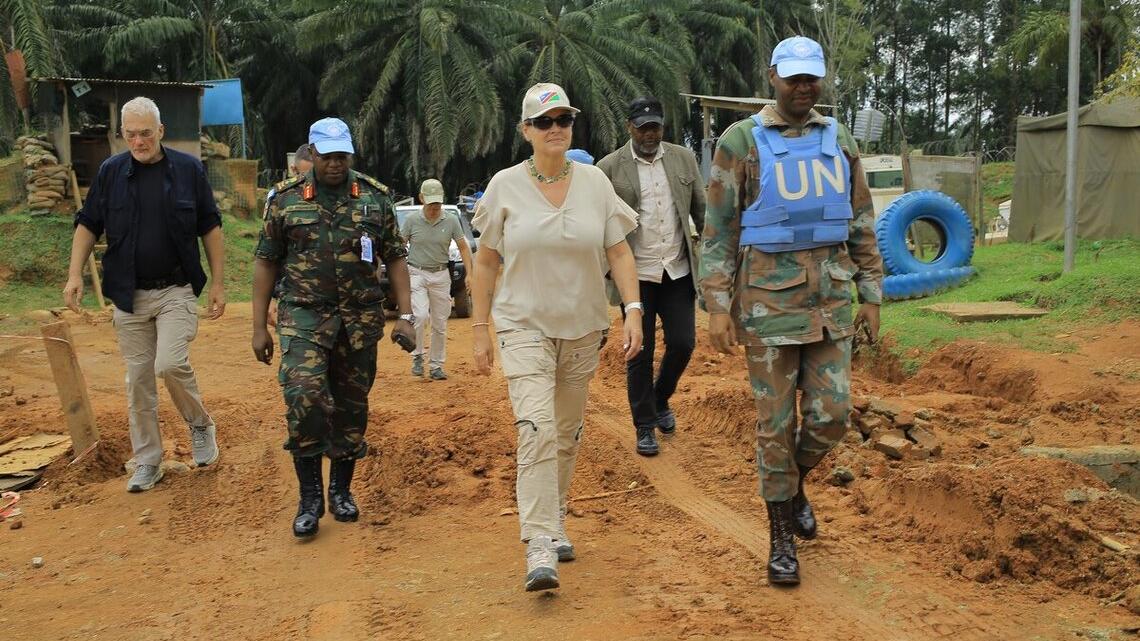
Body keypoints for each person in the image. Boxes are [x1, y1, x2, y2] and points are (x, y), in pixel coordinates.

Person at [700, 36, 883, 586]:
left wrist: (872, 292)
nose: (804, 87)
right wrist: (716, 305)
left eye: (812, 78)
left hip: (830, 301)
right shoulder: (740, 141)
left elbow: (861, 218)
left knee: (832, 415)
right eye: (794, 77)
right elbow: (719, 229)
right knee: (775, 426)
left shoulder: (839, 138)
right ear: (773, 77)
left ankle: (793, 483)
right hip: (767, 307)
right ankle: (781, 535)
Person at [471, 83, 643, 592]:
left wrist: (633, 310)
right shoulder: (504, 186)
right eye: (544, 122)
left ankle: (557, 515)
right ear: (526, 130)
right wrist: (479, 329)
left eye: (563, 119)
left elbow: (619, 252)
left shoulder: (594, 182)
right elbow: (486, 262)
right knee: (537, 427)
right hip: (523, 325)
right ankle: (540, 541)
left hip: (583, 326)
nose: (555, 129)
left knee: (566, 432)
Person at [251, 117, 415, 539]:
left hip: (358, 320)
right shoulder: (285, 200)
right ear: (312, 154)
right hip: (303, 316)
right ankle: (309, 497)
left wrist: (407, 316)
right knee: (304, 395)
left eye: (342, 155)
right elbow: (266, 261)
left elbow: (396, 257)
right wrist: (258, 326)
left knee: (350, 407)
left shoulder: (375, 198)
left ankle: (341, 490)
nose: (336, 163)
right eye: (327, 156)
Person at [63, 96, 226, 493]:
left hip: (176, 289)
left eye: (146, 134)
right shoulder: (110, 173)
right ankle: (148, 460)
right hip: (128, 295)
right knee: (138, 380)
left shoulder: (188, 170)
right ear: (122, 134)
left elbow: (210, 226)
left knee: (168, 363)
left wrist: (219, 283)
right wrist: (74, 275)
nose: (139, 142)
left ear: (161, 131)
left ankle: (200, 424)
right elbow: (88, 224)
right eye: (132, 135)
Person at [597, 96, 706, 457]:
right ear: (630, 127)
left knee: (683, 343)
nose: (650, 134)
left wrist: (714, 258)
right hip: (635, 275)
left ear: (663, 127)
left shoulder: (683, 158)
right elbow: (599, 223)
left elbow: (702, 210)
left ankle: (660, 398)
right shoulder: (609, 168)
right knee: (638, 352)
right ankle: (645, 425)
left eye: (655, 127)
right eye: (643, 128)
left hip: (677, 269)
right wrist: (605, 270)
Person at [401, 178, 474, 380]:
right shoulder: (412, 221)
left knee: (440, 323)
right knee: (420, 315)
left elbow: (463, 247)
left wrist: (470, 274)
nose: (434, 207)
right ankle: (417, 356)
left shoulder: (450, 220)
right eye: (431, 202)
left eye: (437, 203)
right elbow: (400, 246)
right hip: (417, 272)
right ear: (421, 198)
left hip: (441, 275)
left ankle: (436, 365)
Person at [266, 144, 315, 328]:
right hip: (293, 291)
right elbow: (272, 253)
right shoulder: (279, 198)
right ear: (293, 169)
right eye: (303, 175)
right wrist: (272, 296)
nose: (308, 181)